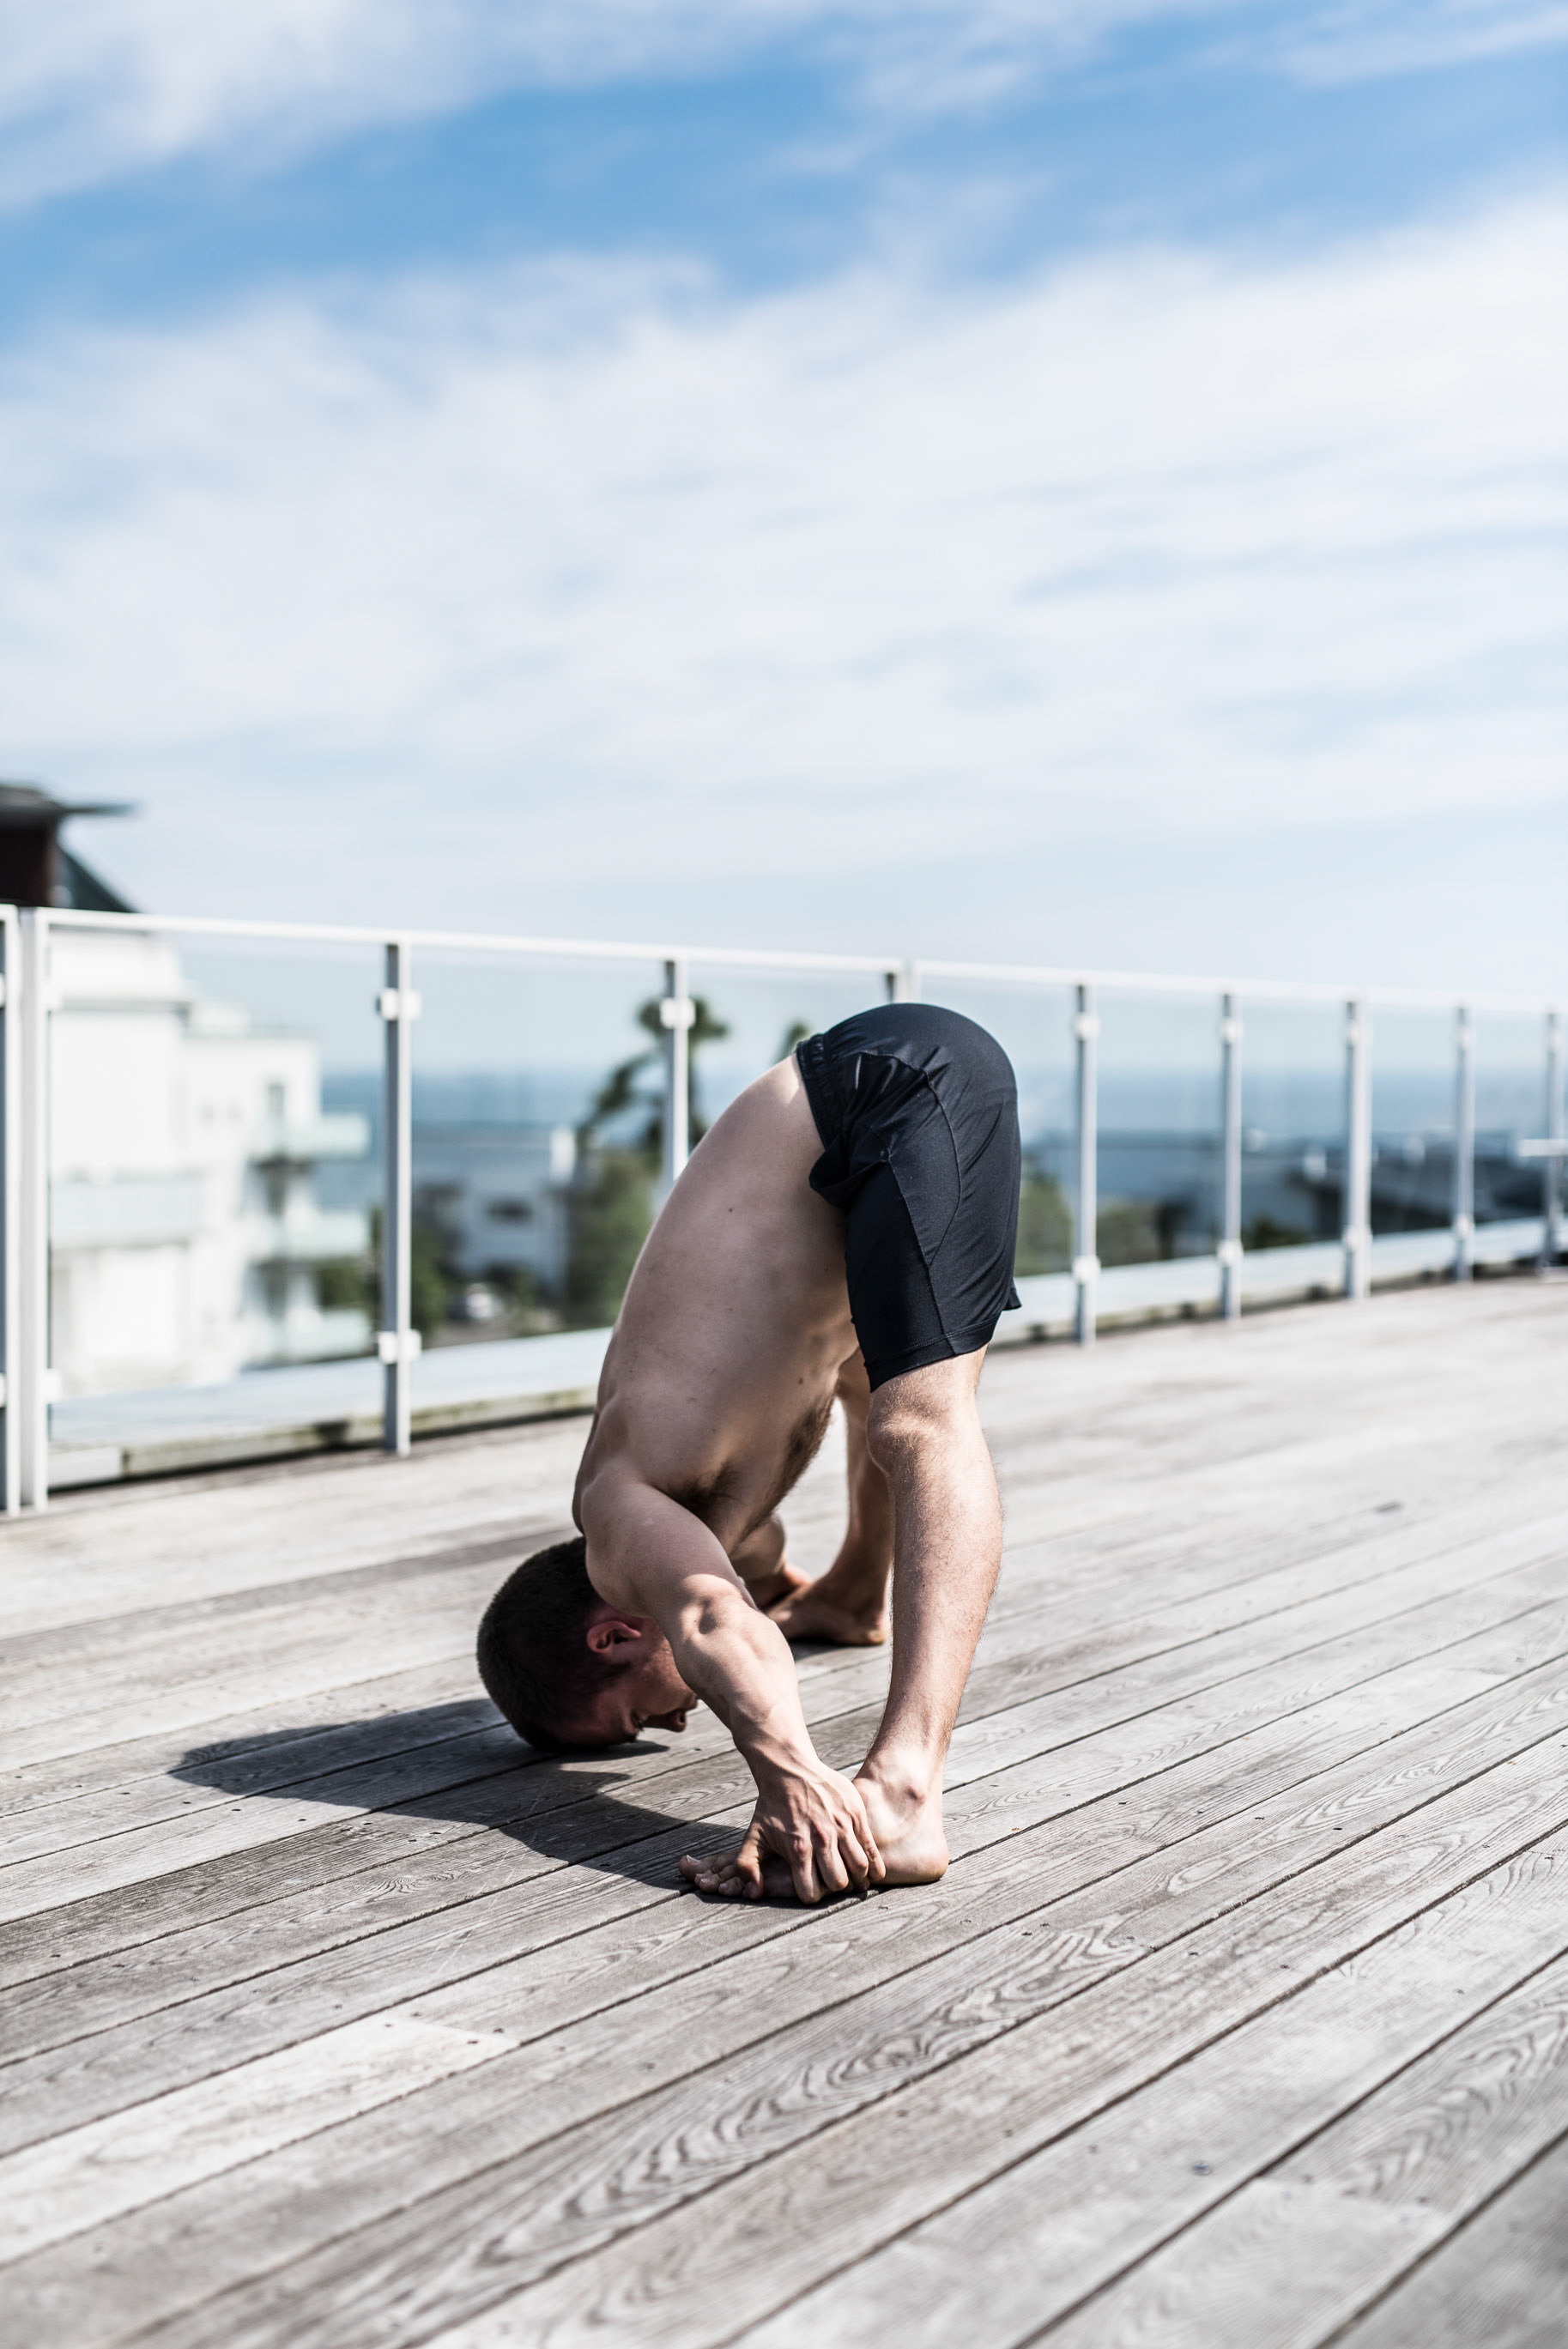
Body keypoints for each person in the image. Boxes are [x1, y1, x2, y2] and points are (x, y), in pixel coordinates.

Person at [476, 1002, 1020, 1903]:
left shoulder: (616, 1513)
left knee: (920, 1421)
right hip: (868, 1113)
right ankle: (853, 1594)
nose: (674, 1725)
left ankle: (905, 1792)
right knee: (878, 1386)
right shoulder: (719, 1526)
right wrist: (835, 1592)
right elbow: (747, 1593)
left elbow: (711, 1623)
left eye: (636, 1719)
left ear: (613, 1632)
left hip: (883, 1086)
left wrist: (789, 1774)